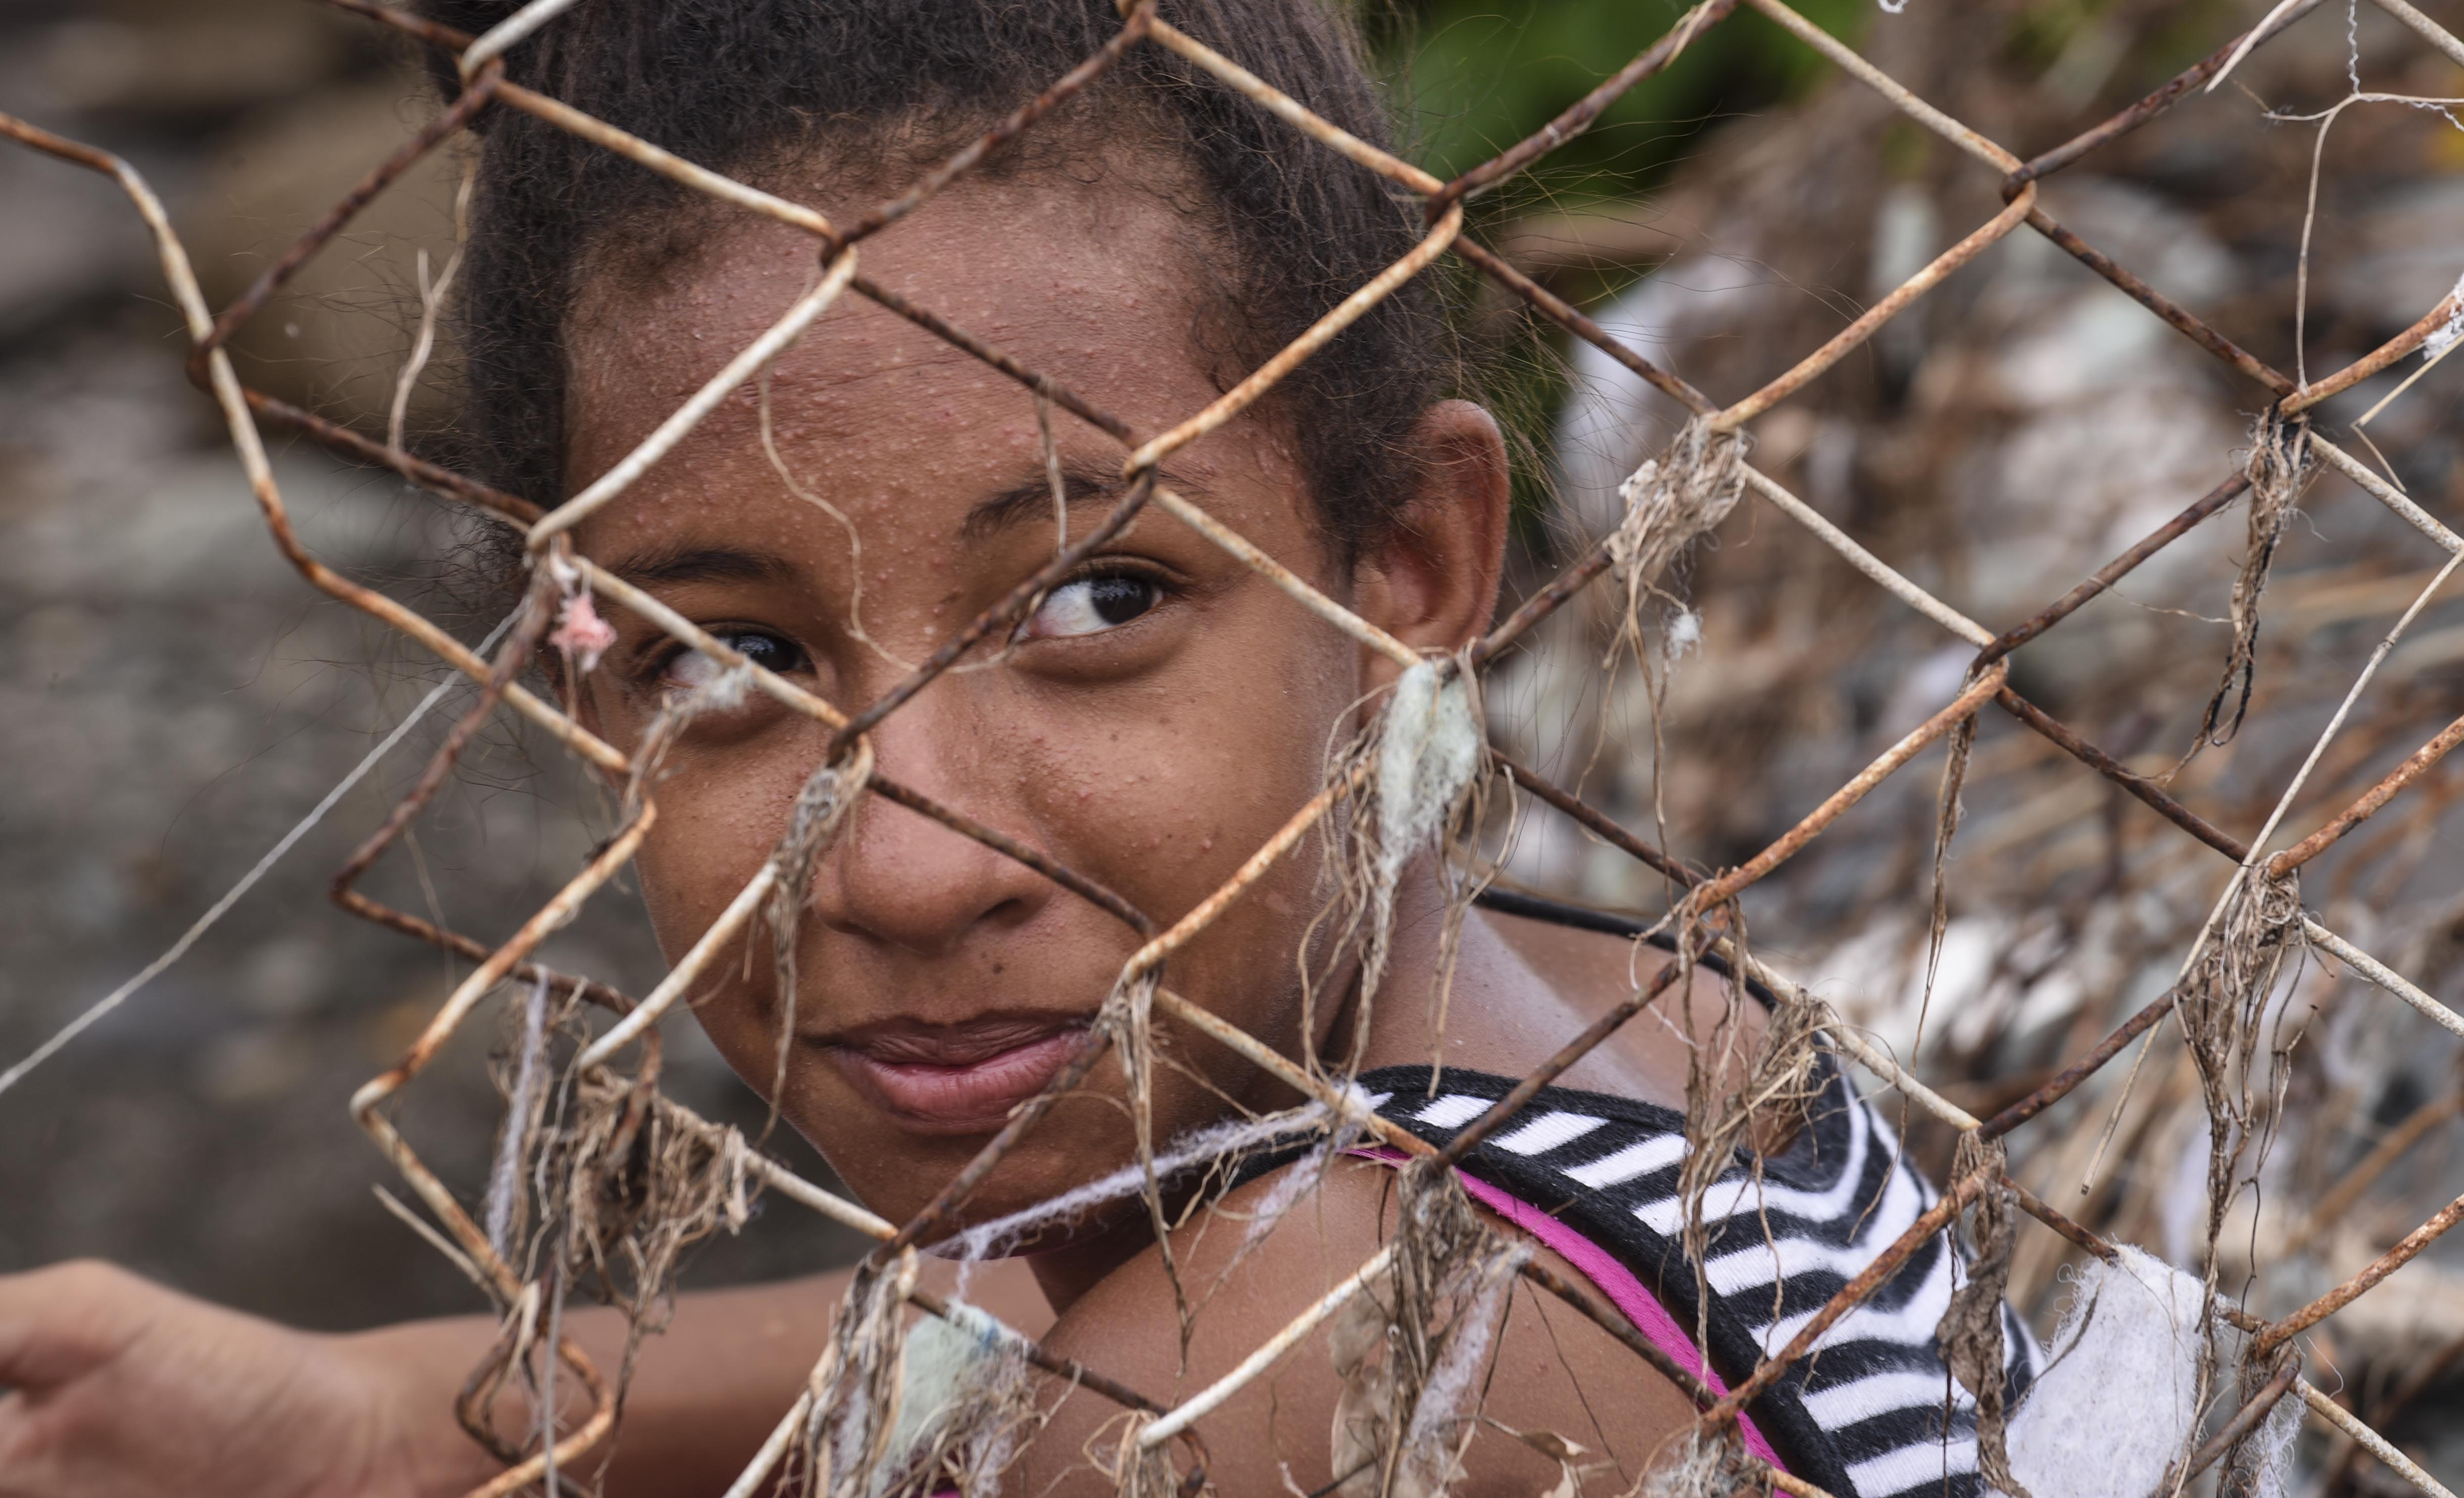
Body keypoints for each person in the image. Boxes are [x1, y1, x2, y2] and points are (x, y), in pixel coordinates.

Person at [0, 3, 2034, 1494]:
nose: (900, 859)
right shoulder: (1593, 1006)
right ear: (576, 668)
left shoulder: (1268, 1362)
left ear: (1403, 563)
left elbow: (1122, 1374)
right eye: (729, 652)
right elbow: (969, 1322)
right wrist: (377, 1425)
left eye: (1096, 605)